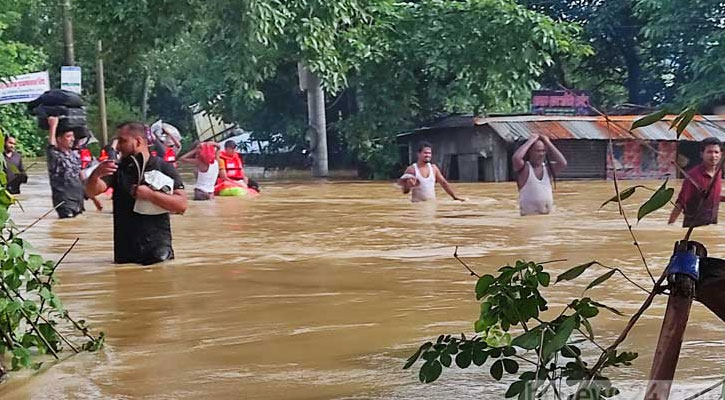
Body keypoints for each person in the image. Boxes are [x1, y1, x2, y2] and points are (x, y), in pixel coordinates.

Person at [85, 122, 187, 265]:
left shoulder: (164, 167)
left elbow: (181, 205)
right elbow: (91, 192)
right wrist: (95, 175)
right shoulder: (118, 169)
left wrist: (150, 195)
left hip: (157, 249)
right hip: (125, 251)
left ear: (138, 141)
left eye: (122, 141)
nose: (118, 146)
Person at [668, 137, 724, 227]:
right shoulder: (693, 176)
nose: (713, 156)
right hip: (693, 228)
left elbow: (712, 197)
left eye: (716, 152)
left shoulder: (718, 173)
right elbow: (680, 202)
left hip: (711, 227)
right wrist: (670, 225)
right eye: (709, 152)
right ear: (702, 154)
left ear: (721, 154)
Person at [513, 134, 567, 216]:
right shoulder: (524, 169)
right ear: (530, 151)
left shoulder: (548, 169)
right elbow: (516, 158)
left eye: (543, 151)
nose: (541, 154)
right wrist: (530, 141)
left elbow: (562, 163)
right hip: (529, 219)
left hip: (547, 217)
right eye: (538, 151)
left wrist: (548, 142)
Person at [399, 142, 464, 202]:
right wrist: (408, 186)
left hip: (432, 204)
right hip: (417, 205)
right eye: (425, 153)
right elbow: (405, 192)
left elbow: (444, 183)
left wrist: (454, 197)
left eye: (429, 153)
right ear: (418, 154)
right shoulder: (411, 169)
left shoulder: (434, 168)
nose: (428, 155)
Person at [47, 116, 84, 218]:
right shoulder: (55, 156)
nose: (72, 139)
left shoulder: (74, 155)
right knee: (67, 224)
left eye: (73, 136)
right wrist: (53, 126)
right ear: (59, 139)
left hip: (78, 199)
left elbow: (81, 176)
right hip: (64, 201)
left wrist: (94, 199)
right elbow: (51, 145)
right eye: (68, 136)